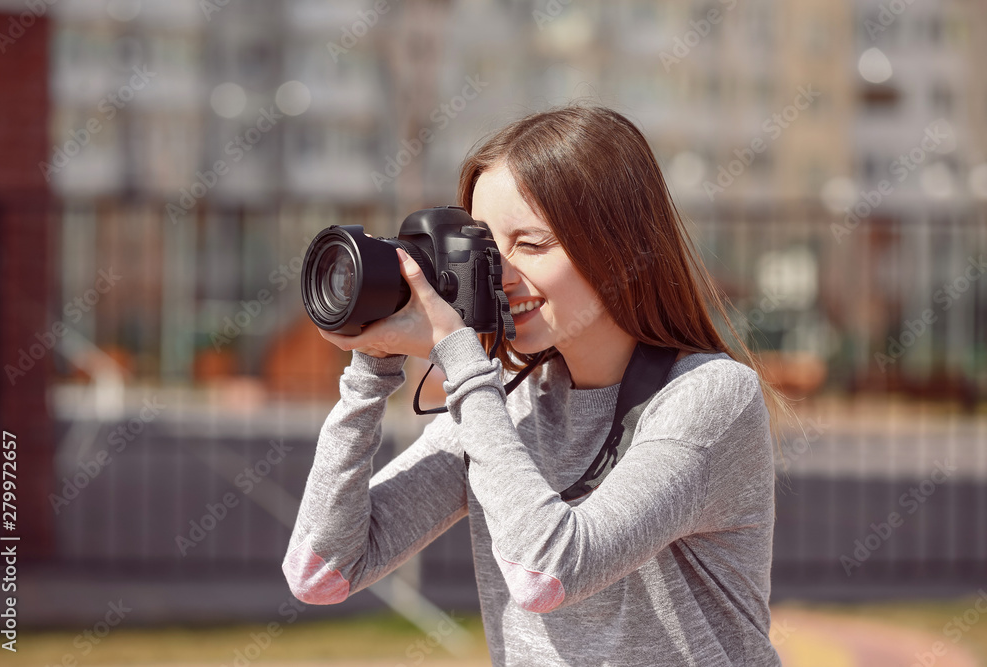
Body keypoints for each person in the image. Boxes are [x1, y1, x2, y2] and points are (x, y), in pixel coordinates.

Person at [282, 105, 789, 666]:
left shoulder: (709, 396)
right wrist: (370, 368)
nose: (499, 273)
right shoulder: (508, 400)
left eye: (531, 244)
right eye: (484, 247)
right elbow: (321, 570)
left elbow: (546, 571)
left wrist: (462, 360)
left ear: (618, 247)